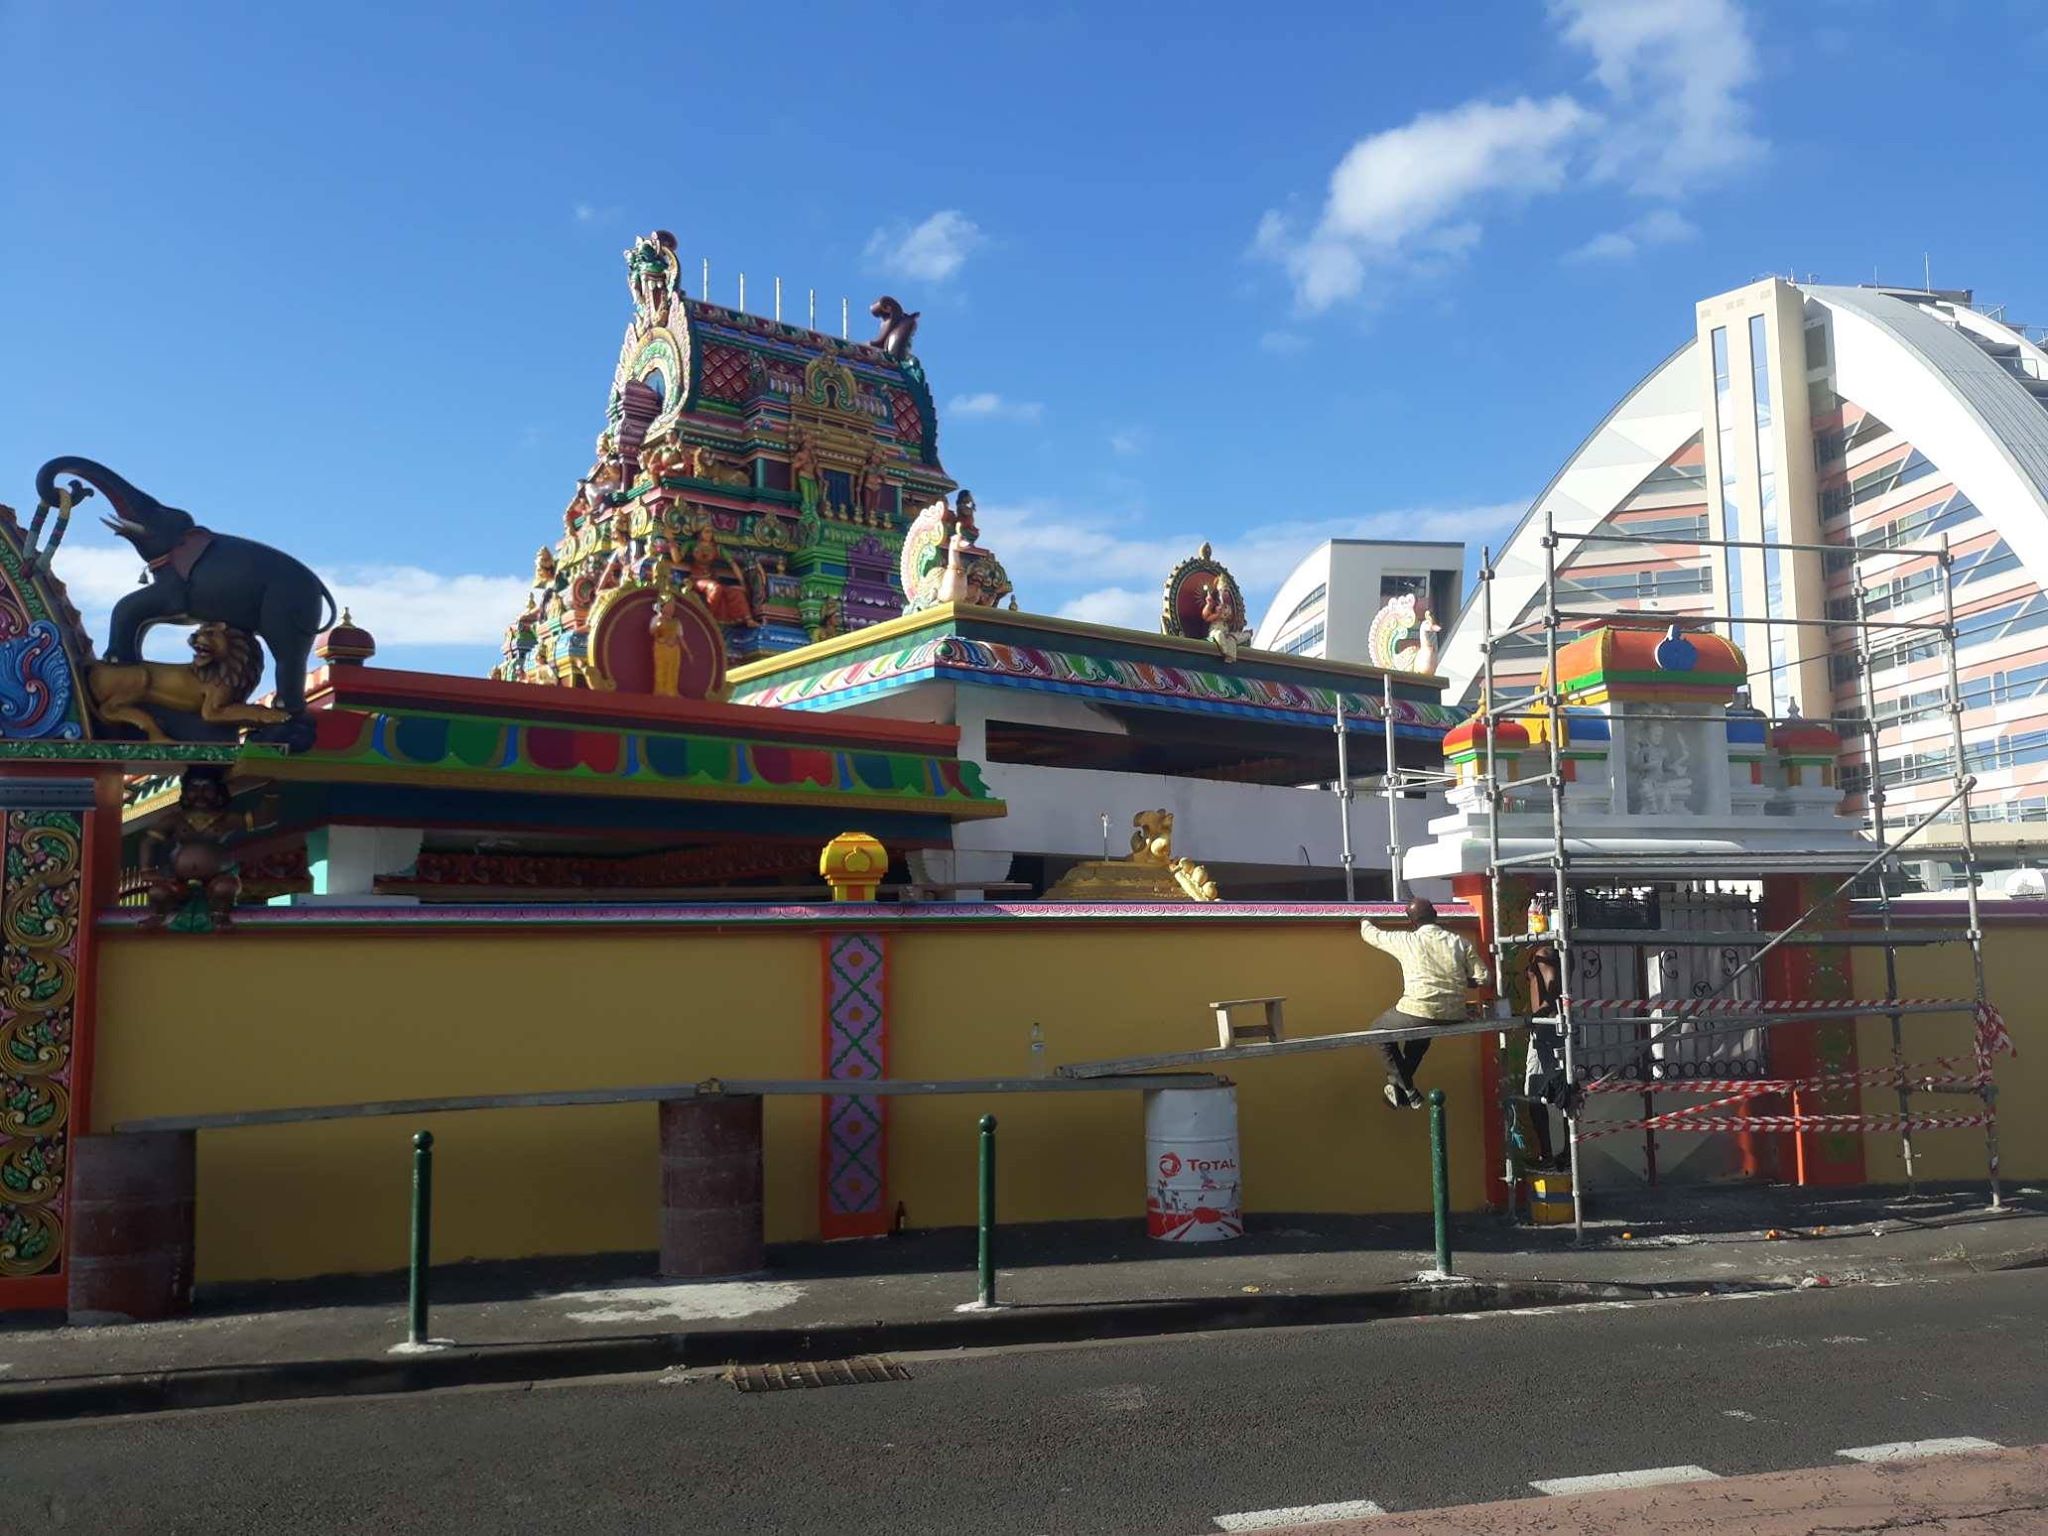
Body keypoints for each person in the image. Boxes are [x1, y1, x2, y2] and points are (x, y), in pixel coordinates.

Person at [1360, 897, 1488, 1108]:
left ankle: (1408, 1089)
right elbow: (1484, 978)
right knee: (1420, 1035)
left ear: (1412, 922)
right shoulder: (1459, 942)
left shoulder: (1406, 940)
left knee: (1377, 1031)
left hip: (1418, 1010)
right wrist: (1458, 980)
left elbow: (1371, 935)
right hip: (1454, 1015)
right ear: (1435, 916)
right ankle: (1398, 1089)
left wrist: (1365, 919)